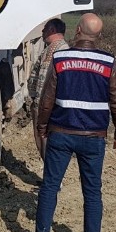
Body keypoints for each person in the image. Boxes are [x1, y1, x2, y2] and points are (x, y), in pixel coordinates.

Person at [26, 13, 116, 232]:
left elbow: (48, 98)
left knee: (49, 186)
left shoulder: (61, 58)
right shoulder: (107, 61)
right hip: (94, 137)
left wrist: (41, 127)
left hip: (60, 133)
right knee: (92, 191)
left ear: (79, 30)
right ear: (98, 35)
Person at [26, 18, 69, 157]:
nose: (43, 32)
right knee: (42, 142)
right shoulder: (48, 50)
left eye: (45, 30)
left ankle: (52, 177)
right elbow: (35, 75)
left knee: (50, 144)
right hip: (42, 106)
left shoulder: (63, 52)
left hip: (52, 109)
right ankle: (48, 176)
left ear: (52, 30)